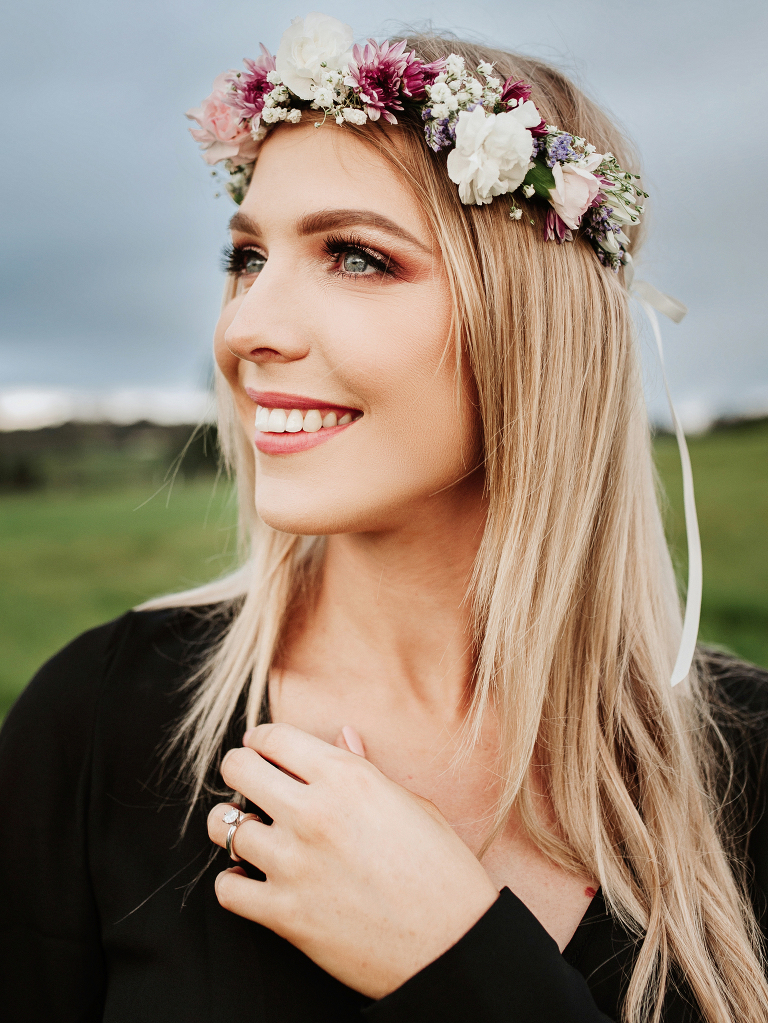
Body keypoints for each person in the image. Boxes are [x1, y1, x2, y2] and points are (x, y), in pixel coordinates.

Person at [1, 14, 766, 1023]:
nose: (247, 330)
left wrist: (459, 961)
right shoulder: (98, 724)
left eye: (355, 257)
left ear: (535, 322)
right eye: (246, 258)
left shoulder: (748, 762)